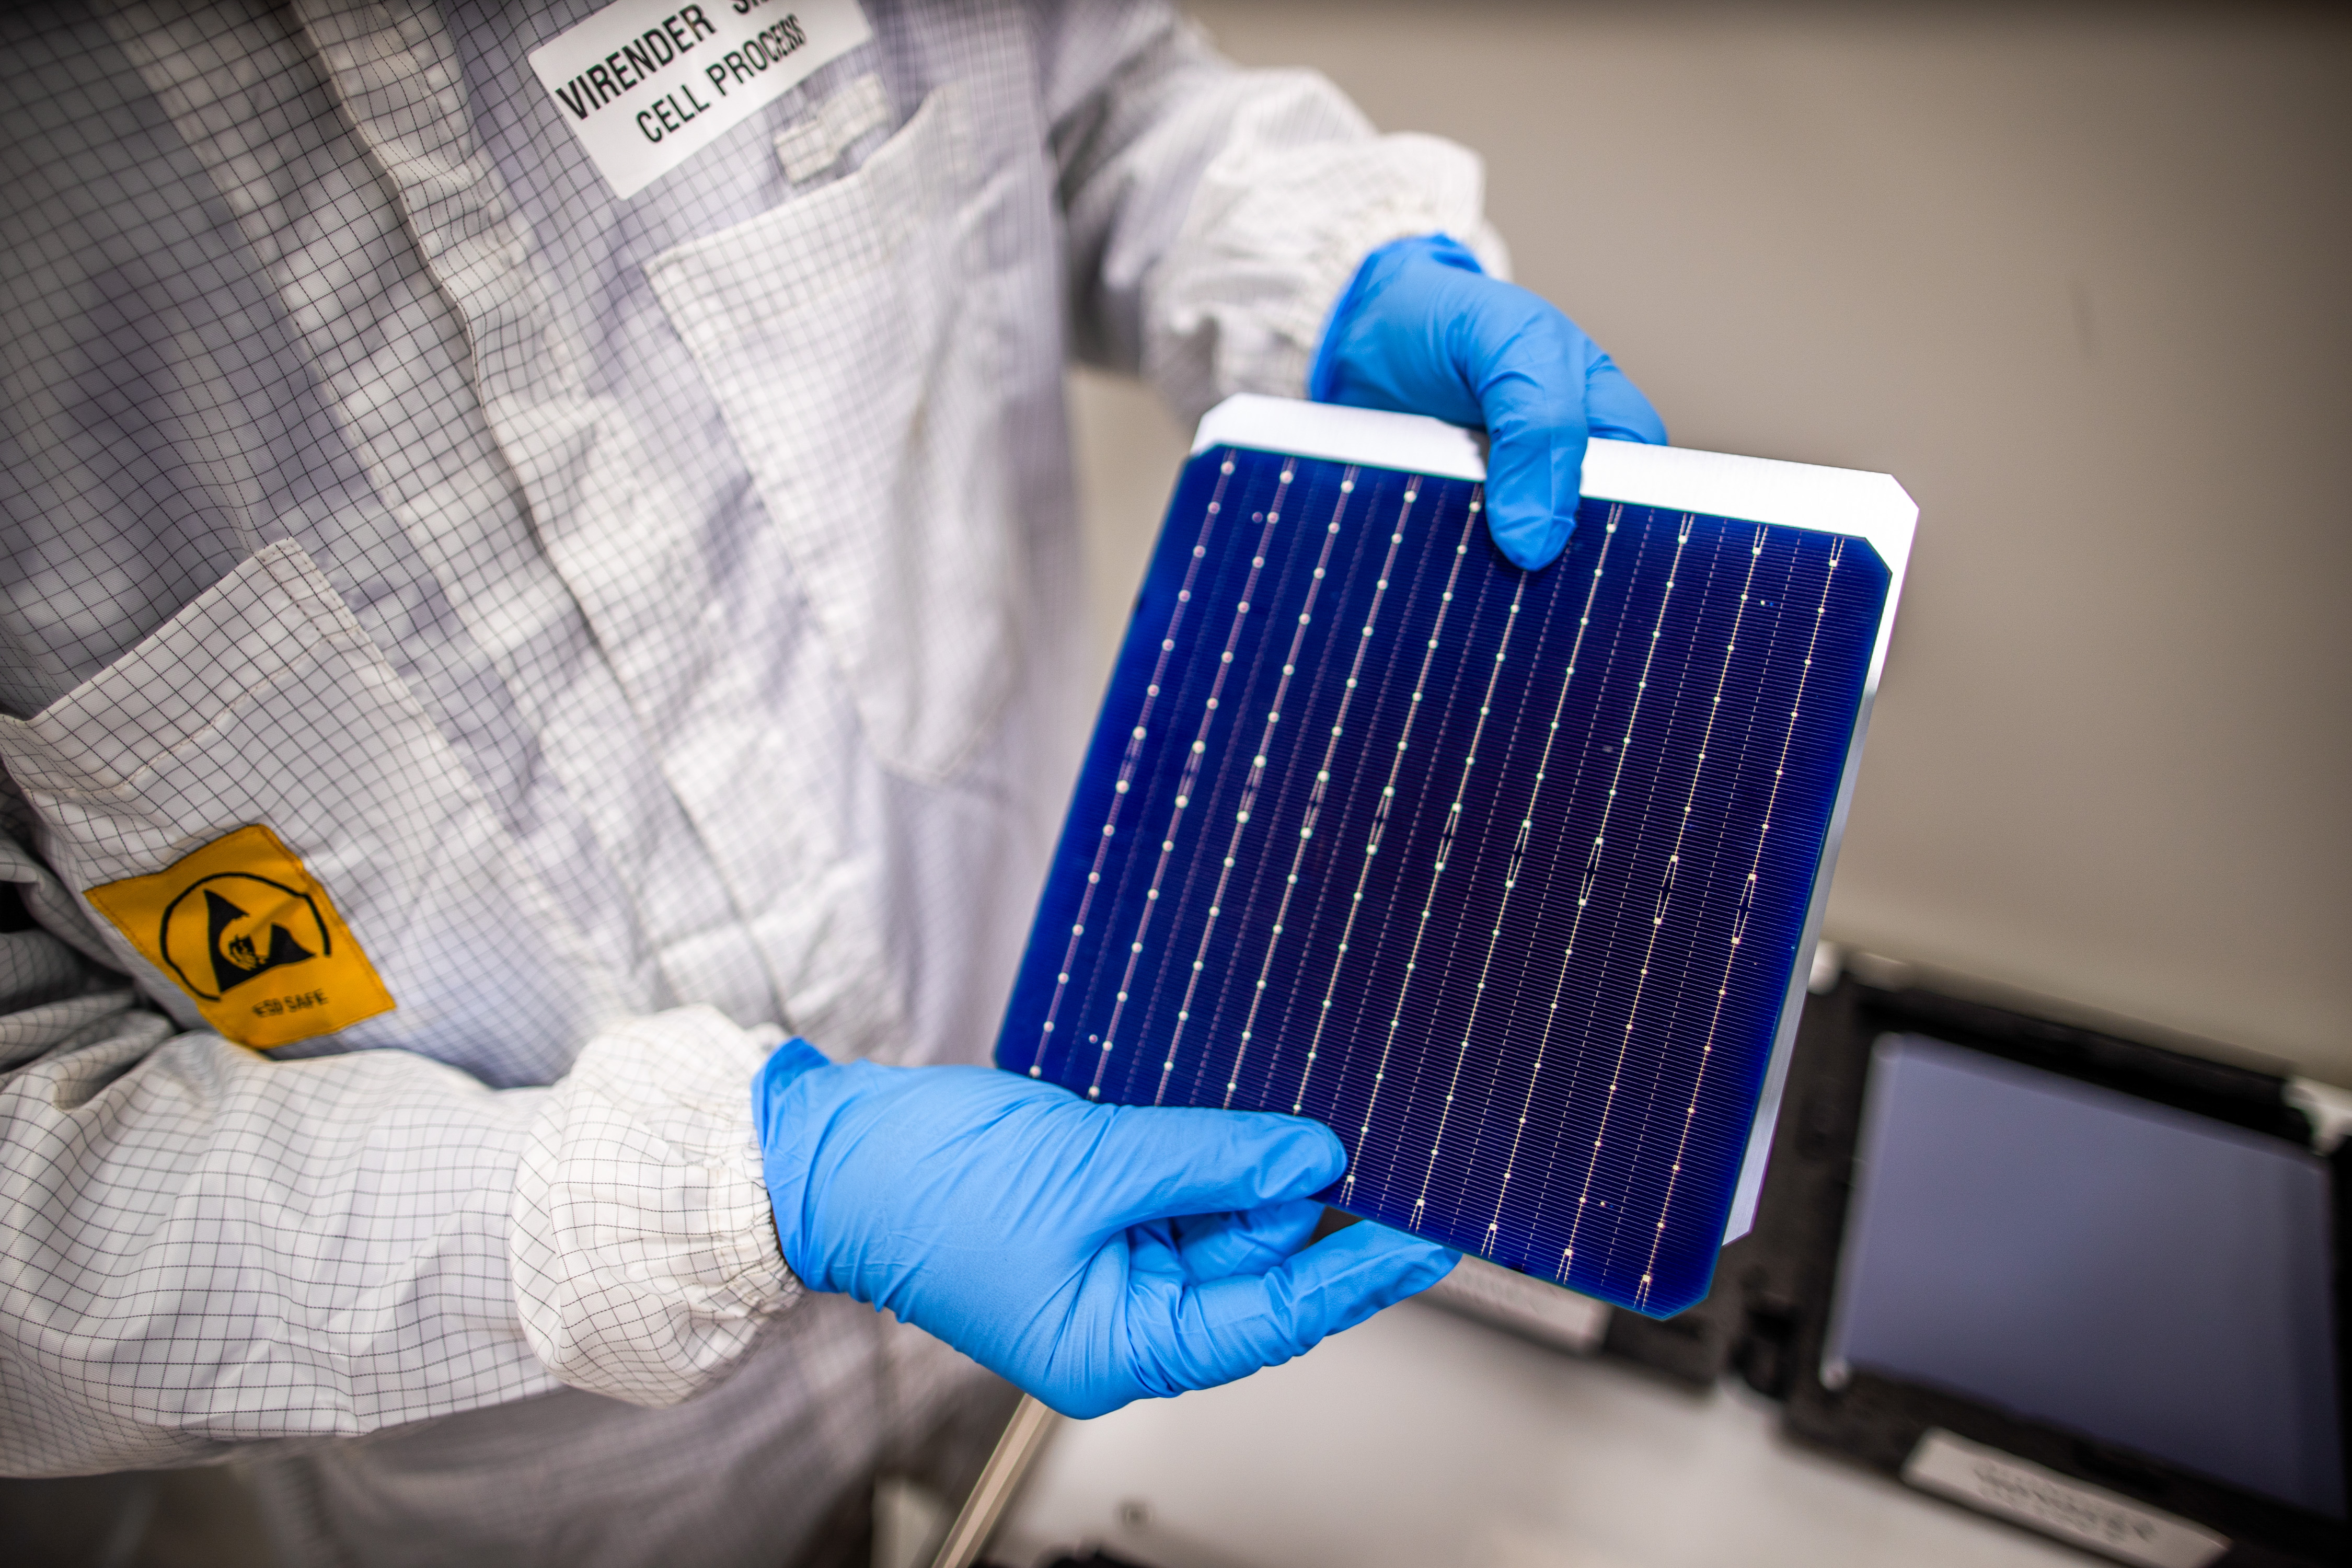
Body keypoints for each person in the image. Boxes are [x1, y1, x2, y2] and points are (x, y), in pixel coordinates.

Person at [0, 1, 1664, 1561]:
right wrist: (769, 1186)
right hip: (517, 1468)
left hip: (1085, 1093)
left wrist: (1330, 276)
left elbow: (1084, 112)